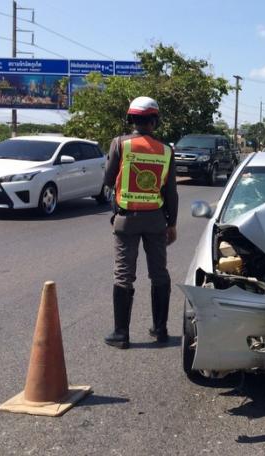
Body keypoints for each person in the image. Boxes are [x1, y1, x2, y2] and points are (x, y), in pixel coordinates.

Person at [103, 96, 178, 349]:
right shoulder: (167, 150)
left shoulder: (120, 144)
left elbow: (108, 178)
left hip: (127, 220)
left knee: (124, 275)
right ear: (154, 121)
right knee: (159, 274)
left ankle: (121, 334)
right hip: (157, 220)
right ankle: (160, 329)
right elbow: (171, 193)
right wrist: (172, 224)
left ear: (131, 119)